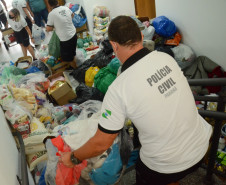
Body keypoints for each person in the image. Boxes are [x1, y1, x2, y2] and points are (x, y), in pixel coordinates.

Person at [59, 16, 213, 185]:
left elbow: (101, 143)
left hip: (166, 165)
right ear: (141, 37)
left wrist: (72, 158)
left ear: (114, 45)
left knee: (147, 172)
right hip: (202, 146)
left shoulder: (118, 88)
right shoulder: (166, 59)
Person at [46, 0, 77, 68]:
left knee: (68, 58)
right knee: (72, 53)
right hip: (74, 34)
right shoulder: (65, 8)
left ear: (50, 5)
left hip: (66, 39)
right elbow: (72, 15)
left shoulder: (51, 14)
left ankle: (76, 70)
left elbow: (48, 29)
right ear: (57, 2)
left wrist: (57, 25)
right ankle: (74, 66)